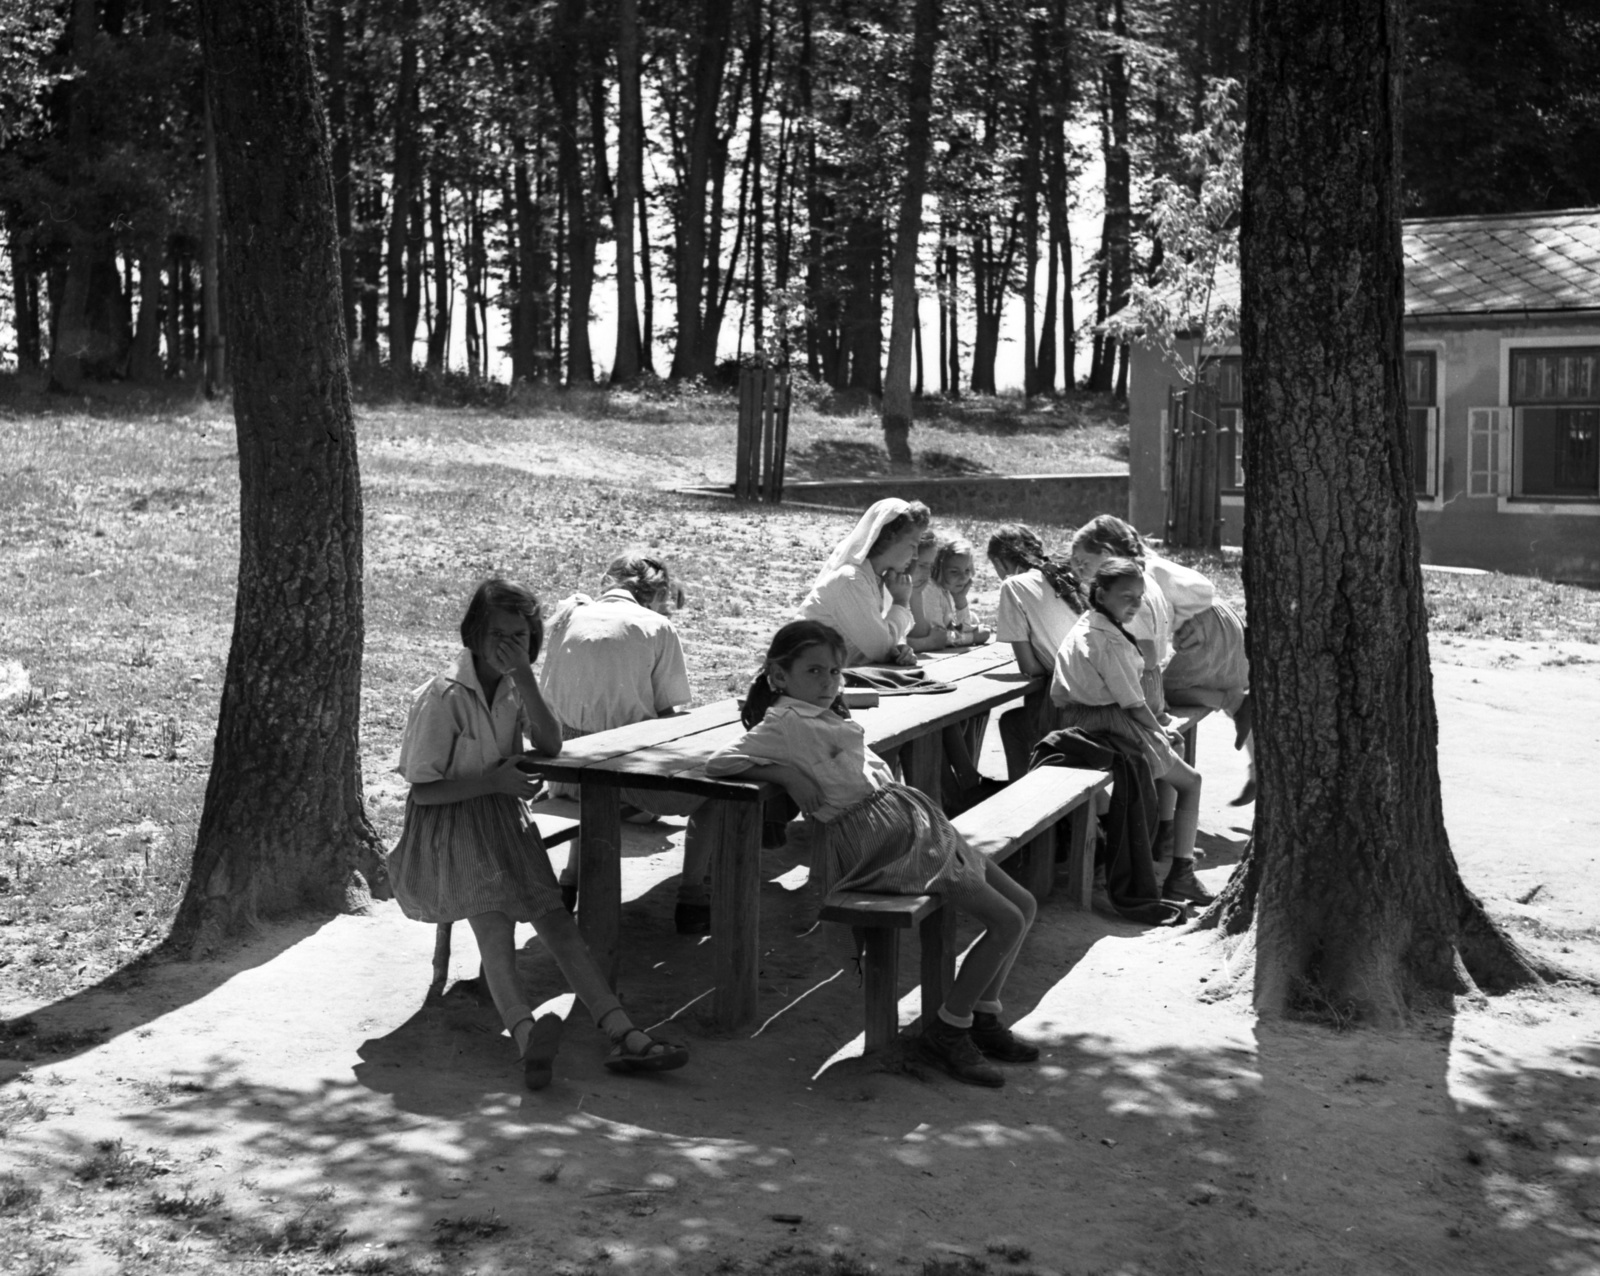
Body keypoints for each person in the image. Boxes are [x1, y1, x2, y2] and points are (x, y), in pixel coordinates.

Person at [705, 620, 1041, 1089]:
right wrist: (782, 774)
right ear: (779, 676)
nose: (828, 683)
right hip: (881, 844)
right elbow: (718, 763)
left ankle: (981, 1016)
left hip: (911, 826)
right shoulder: (781, 724)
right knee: (1004, 920)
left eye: (835, 672)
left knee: (1023, 905)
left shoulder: (825, 713)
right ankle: (949, 1030)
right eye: (814, 672)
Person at [386, 578, 689, 1090]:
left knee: (557, 923)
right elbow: (424, 792)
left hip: (503, 821)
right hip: (449, 831)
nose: (509, 645)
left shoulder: (511, 687)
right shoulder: (441, 697)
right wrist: (492, 781)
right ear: (473, 634)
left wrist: (526, 680)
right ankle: (527, 1039)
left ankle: (624, 1031)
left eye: (521, 636)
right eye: (498, 635)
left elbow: (550, 743)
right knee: (494, 926)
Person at [538, 553, 714, 934]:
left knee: (592, 761)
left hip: (564, 774)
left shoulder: (568, 617)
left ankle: (569, 880)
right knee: (716, 795)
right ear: (657, 594)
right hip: (621, 781)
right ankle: (692, 896)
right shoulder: (656, 626)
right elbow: (668, 716)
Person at [1051, 559, 1210, 905]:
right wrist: (1160, 731)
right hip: (1107, 722)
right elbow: (1134, 705)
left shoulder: (1087, 624)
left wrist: (1162, 732)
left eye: (1139, 597)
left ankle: (1160, 838)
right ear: (1101, 593)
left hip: (1079, 720)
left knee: (1174, 749)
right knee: (1192, 781)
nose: (1135, 604)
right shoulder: (1106, 642)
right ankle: (1180, 873)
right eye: (1127, 597)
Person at [1070, 514, 1253, 805]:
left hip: (1204, 627)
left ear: (1105, 553)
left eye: (1083, 563)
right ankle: (1259, 770)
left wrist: (1183, 620)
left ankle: (1234, 703)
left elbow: (1155, 629)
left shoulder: (1139, 575)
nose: (1079, 571)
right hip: (1221, 619)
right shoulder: (1148, 565)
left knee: (1168, 692)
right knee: (1226, 682)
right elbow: (1194, 595)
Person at [986, 524, 1085, 779]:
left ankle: (1027, 801)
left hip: (1071, 703)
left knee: (1013, 724)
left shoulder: (1013, 585)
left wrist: (1053, 666)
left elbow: (1029, 668)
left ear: (999, 563)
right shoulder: (1064, 576)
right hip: (1095, 692)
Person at [797, 498, 931, 666]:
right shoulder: (851, 579)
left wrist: (900, 648)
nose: (916, 555)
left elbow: (887, 640)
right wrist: (901, 602)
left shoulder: (879, 579)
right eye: (913, 545)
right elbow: (881, 649)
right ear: (890, 536)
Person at [920, 537, 991, 650]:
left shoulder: (948, 589)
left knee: (973, 618)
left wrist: (960, 599)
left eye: (967, 570)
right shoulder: (930, 590)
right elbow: (938, 637)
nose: (963, 577)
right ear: (939, 569)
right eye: (954, 572)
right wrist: (971, 638)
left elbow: (963, 627)